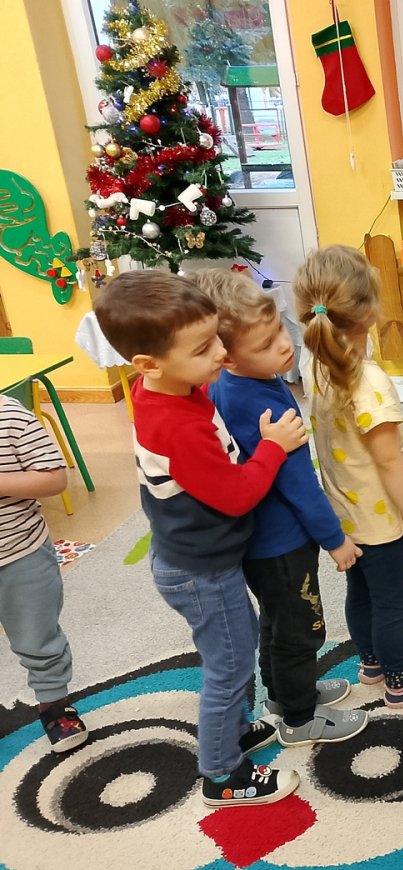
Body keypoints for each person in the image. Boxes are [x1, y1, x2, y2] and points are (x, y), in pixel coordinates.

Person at [94, 270, 308, 807]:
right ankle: (222, 773)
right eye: (203, 348)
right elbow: (237, 496)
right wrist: (272, 447)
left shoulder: (168, 388)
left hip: (194, 556)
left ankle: (233, 732)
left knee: (235, 646)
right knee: (229, 665)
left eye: (217, 338)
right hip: (201, 570)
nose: (221, 353)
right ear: (148, 363)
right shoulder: (178, 425)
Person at [198, 269, 368, 748]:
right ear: (227, 356)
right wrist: (335, 540)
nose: (284, 345)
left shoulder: (231, 383)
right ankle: (299, 717)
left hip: (258, 540)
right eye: (266, 343)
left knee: (276, 618)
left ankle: (284, 693)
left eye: (280, 330)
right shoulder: (264, 406)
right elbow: (299, 485)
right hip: (282, 541)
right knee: (301, 627)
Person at [296, 245, 403, 707]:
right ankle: (400, 680)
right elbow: (390, 461)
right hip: (380, 515)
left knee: (361, 590)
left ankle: (372, 659)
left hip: (344, 509)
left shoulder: (316, 363)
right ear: (369, 312)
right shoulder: (368, 382)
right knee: (392, 602)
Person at [0, 397, 88, 753]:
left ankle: (53, 705)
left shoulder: (9, 416)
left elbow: (54, 478)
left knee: (37, 636)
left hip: (20, 552)